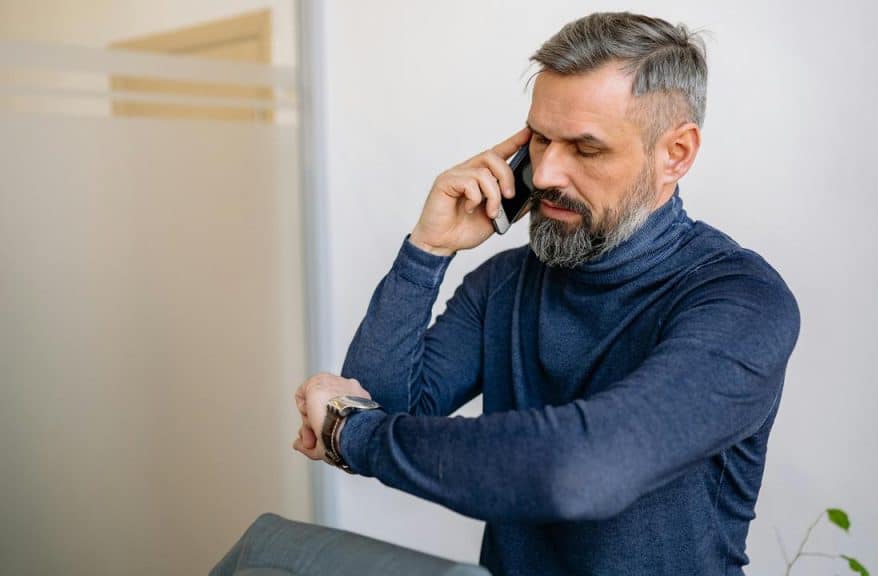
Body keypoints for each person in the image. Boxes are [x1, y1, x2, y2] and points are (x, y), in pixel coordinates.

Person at [293, 11, 801, 576]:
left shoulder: (741, 300)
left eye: (586, 149)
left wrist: (353, 434)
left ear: (675, 154)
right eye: (539, 138)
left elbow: (581, 471)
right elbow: (378, 401)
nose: (548, 172)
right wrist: (428, 249)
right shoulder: (505, 282)